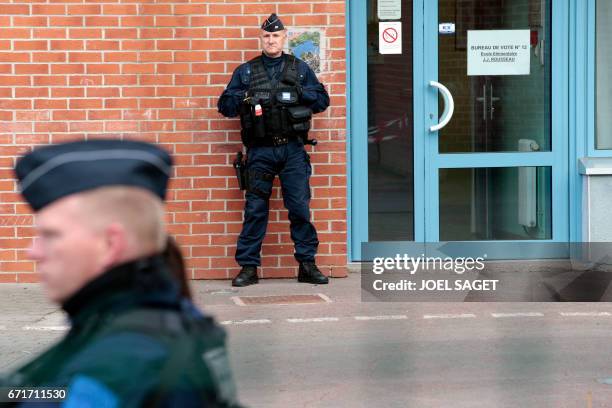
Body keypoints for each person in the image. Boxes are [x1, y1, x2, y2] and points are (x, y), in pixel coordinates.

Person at [1, 140, 241, 407]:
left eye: (50, 235)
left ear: (111, 244)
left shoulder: (119, 363)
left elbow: (62, 394)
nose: (32, 251)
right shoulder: (163, 316)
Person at [218, 13, 330, 287]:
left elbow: (322, 100)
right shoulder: (245, 72)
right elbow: (224, 106)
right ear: (261, 39)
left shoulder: (300, 68)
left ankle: (307, 265)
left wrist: (300, 92)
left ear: (284, 38)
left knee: (300, 209)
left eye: (276, 36)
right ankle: (248, 268)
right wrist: (244, 97)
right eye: (266, 36)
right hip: (260, 152)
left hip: (292, 150)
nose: (271, 40)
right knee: (255, 210)